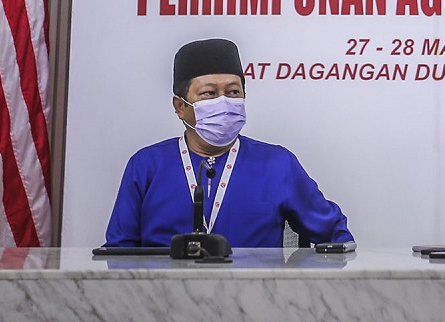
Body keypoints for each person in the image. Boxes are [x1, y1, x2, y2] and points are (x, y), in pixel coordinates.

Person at [105, 38, 353, 247]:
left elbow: (335, 235)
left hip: (255, 299)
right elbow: (118, 252)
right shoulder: (146, 165)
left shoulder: (277, 164)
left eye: (233, 92)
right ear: (180, 106)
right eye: (209, 94)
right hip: (163, 299)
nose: (224, 102)